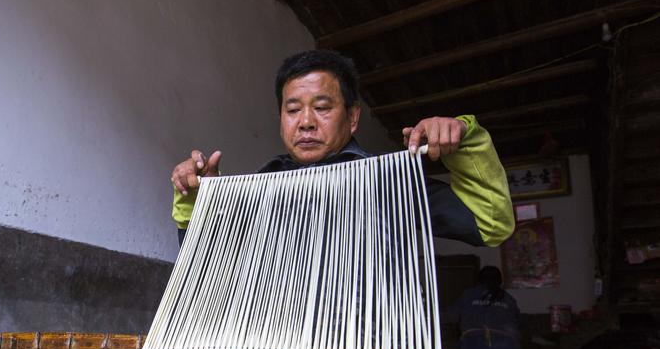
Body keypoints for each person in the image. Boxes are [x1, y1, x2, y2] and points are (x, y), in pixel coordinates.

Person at [169, 49, 514, 248]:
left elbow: (491, 225)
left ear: (352, 118)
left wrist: (465, 138)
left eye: (322, 107)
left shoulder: (388, 182)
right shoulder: (262, 188)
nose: (305, 122)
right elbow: (202, 258)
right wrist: (203, 197)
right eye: (292, 110)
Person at [455, 266, 525, 349]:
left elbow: (452, 316)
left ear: (479, 281)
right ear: (500, 281)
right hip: (507, 348)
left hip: (474, 345)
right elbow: (518, 322)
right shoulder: (508, 299)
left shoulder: (468, 295)